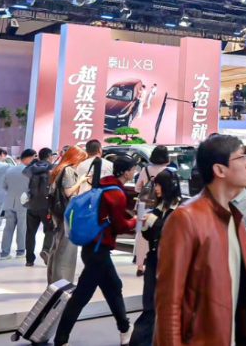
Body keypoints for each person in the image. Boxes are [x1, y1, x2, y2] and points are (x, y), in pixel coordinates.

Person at [156, 135, 246, 346]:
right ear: (219, 170)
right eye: (241, 158)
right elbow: (169, 302)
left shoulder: (233, 216)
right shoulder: (186, 219)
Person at [53, 157, 138, 346]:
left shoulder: (102, 186)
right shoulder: (117, 194)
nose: (134, 172)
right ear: (126, 172)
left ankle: (125, 329)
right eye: (133, 169)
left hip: (92, 247)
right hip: (99, 250)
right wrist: (135, 221)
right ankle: (61, 339)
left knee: (113, 287)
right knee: (82, 295)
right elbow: (119, 226)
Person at [129, 170, 182, 346]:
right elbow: (153, 236)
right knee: (150, 305)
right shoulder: (160, 208)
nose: (156, 189)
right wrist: (145, 225)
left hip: (172, 264)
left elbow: (173, 233)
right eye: (155, 184)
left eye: (159, 185)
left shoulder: (181, 209)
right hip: (154, 260)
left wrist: (153, 221)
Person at [47, 145, 87, 285]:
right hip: (67, 213)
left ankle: (54, 282)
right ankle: (63, 283)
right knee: (66, 251)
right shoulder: (68, 170)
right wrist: (81, 180)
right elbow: (68, 192)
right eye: (81, 159)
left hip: (58, 212)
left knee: (58, 248)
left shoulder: (58, 169)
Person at [134, 146, 174, 276]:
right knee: (159, 233)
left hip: (145, 204)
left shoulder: (145, 169)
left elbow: (137, 188)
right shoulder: (169, 171)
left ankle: (140, 266)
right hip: (161, 205)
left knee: (142, 235)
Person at [0, 149, 34, 260]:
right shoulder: (30, 171)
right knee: (22, 228)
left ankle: (4, 253)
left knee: (8, 228)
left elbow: (4, 186)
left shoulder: (10, 170)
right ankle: (20, 251)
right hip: (24, 203)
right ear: (29, 158)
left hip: (9, 202)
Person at [23, 148, 53, 267]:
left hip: (32, 204)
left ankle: (29, 259)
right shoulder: (52, 167)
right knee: (50, 229)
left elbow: (24, 172)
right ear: (50, 157)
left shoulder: (32, 168)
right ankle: (46, 250)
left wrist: (33, 162)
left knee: (30, 232)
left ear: (39, 157)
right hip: (46, 205)